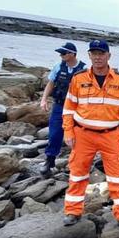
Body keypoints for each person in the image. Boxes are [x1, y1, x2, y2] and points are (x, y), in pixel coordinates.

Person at [61, 39, 119, 228]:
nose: (97, 57)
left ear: (108, 56)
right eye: (94, 53)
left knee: (118, 176)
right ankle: (72, 211)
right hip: (82, 135)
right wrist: (68, 131)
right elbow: (69, 107)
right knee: (77, 174)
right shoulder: (78, 79)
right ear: (89, 55)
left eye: (101, 53)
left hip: (111, 135)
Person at [39, 42, 86, 175]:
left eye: (63, 53)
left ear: (72, 54)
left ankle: (77, 163)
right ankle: (49, 160)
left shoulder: (85, 69)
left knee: (79, 136)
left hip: (78, 108)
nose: (61, 55)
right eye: (60, 53)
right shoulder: (58, 67)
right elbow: (50, 83)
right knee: (54, 134)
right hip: (60, 106)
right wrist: (44, 100)